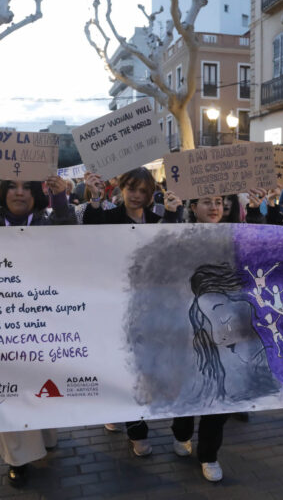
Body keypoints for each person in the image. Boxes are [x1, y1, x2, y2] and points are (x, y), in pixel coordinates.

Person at [0, 176, 74, 487]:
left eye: (26, 188)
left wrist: (60, 199)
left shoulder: (50, 226)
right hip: (3, 329)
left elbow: (75, 237)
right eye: (12, 187)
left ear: (35, 194)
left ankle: (46, 435)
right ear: (3, 193)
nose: (19, 193)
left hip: (46, 325)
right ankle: (17, 458)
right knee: (9, 392)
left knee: (44, 387)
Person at [83, 167, 178, 456]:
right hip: (117, 303)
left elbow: (172, 245)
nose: (136, 196)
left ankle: (129, 416)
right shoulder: (109, 216)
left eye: (142, 191)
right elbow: (89, 228)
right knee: (124, 366)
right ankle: (137, 430)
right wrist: (95, 198)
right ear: (122, 189)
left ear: (150, 194)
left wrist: (173, 213)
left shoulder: (158, 218)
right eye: (131, 189)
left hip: (151, 305)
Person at [171, 195, 230, 482]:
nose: (214, 207)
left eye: (219, 201)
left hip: (225, 330)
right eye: (207, 201)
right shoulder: (180, 237)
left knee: (219, 397)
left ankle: (208, 455)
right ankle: (181, 433)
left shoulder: (235, 234)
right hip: (188, 329)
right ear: (193, 207)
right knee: (190, 389)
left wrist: (259, 210)